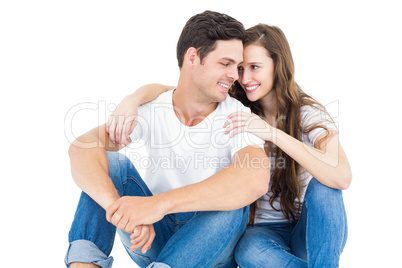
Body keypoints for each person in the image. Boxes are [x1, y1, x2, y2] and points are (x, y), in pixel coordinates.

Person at [108, 24, 352, 267]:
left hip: (309, 231)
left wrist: (272, 133)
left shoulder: (307, 114)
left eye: (255, 67)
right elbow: (176, 89)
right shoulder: (234, 105)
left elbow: (341, 176)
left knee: (326, 187)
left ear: (278, 65)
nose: (245, 79)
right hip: (258, 232)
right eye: (240, 68)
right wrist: (133, 99)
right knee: (248, 252)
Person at [65, 11, 270, 268]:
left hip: (209, 248)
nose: (234, 75)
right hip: (150, 237)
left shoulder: (238, 115)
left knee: (233, 201)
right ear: (193, 57)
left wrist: (157, 205)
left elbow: (256, 179)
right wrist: (121, 210)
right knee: (110, 164)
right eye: (225, 63)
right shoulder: (152, 108)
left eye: (237, 67)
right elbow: (82, 148)